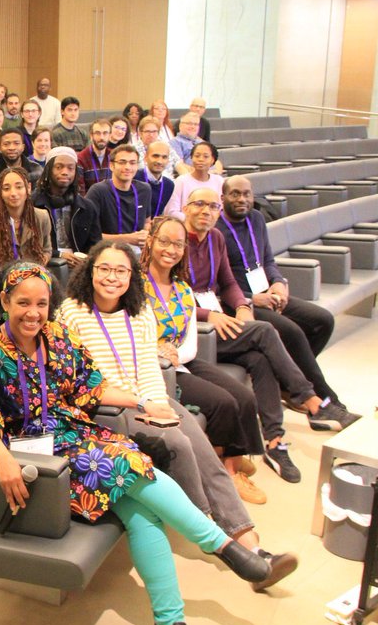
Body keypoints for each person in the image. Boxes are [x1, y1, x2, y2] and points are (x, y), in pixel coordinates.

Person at [0, 261, 275, 625]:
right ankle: (221, 545)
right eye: (23, 303)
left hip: (74, 435)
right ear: (4, 301)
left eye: (41, 303)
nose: (33, 313)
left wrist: (144, 401)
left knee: (143, 512)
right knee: (129, 465)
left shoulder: (56, 337)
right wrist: (3, 459)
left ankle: (170, 621)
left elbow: (93, 385)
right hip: (36, 457)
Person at [57, 242, 296, 584]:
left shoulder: (139, 312)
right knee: (178, 444)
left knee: (203, 450)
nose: (112, 277)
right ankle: (215, 537)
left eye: (121, 270)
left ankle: (251, 547)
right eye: (104, 269)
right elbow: (81, 381)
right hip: (107, 410)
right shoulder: (71, 313)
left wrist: (160, 405)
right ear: (90, 271)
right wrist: (142, 406)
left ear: (130, 276)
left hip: (150, 400)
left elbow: (150, 368)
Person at [182, 187, 355, 483]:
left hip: (219, 318)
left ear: (218, 210)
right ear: (185, 207)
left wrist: (242, 306)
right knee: (266, 331)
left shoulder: (216, 238)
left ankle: (274, 442)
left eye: (212, 206)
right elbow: (166, 299)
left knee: (261, 359)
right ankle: (310, 400)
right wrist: (208, 314)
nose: (205, 211)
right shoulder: (176, 242)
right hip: (194, 329)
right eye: (198, 204)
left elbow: (228, 283)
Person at [141, 216, 269, 504]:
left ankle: (232, 453)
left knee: (244, 396)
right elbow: (130, 334)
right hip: (155, 368)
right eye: (164, 242)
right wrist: (161, 356)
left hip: (181, 359)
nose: (170, 250)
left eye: (178, 244)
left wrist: (176, 355)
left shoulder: (183, 289)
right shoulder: (135, 286)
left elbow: (189, 340)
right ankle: (231, 471)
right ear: (150, 242)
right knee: (223, 402)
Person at [218, 176, 359, 424]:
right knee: (292, 332)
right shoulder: (217, 230)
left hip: (268, 292)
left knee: (321, 320)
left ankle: (288, 384)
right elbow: (221, 284)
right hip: (239, 303)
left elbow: (268, 260)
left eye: (247, 194)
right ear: (223, 198)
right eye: (235, 194)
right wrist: (252, 298)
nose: (242, 199)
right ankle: (325, 401)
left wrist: (279, 283)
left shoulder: (257, 220)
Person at [31, 147, 100, 267]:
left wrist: (87, 260)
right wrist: (59, 255)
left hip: (79, 267)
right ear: (48, 170)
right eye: (59, 167)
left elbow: (96, 244)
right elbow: (29, 244)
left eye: (70, 168)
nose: (65, 172)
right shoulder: (33, 204)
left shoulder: (87, 207)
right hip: (46, 265)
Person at [85, 144, 151, 247]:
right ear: (111, 165)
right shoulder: (98, 191)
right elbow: (89, 235)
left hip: (138, 251)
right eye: (122, 162)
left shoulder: (144, 189)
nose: (127, 167)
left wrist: (146, 234)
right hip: (106, 250)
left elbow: (147, 222)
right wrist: (128, 239)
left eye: (132, 163)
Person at [164, 142, 222, 218]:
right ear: (191, 158)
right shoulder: (181, 181)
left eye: (206, 156)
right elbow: (171, 211)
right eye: (197, 156)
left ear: (212, 160)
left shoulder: (219, 181)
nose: (201, 159)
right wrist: (192, 221)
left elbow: (221, 209)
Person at [0, 128, 42, 193]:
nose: (12, 148)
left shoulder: (36, 169)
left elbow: (38, 197)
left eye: (16, 143)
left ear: (23, 147)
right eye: (6, 144)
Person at [140, 140, 176, 220]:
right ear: (145, 157)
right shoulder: (134, 178)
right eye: (155, 156)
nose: (160, 161)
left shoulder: (169, 185)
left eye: (164, 157)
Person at [75, 118, 112, 194]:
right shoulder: (81, 158)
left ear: (110, 136)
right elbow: (80, 191)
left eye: (105, 133)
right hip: (91, 202)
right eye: (98, 133)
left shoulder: (114, 156)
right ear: (91, 135)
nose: (101, 137)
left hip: (112, 202)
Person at [133, 116, 175, 180]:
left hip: (169, 182)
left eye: (154, 131)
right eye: (147, 131)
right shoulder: (133, 150)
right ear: (140, 133)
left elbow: (179, 164)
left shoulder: (166, 146)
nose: (151, 135)